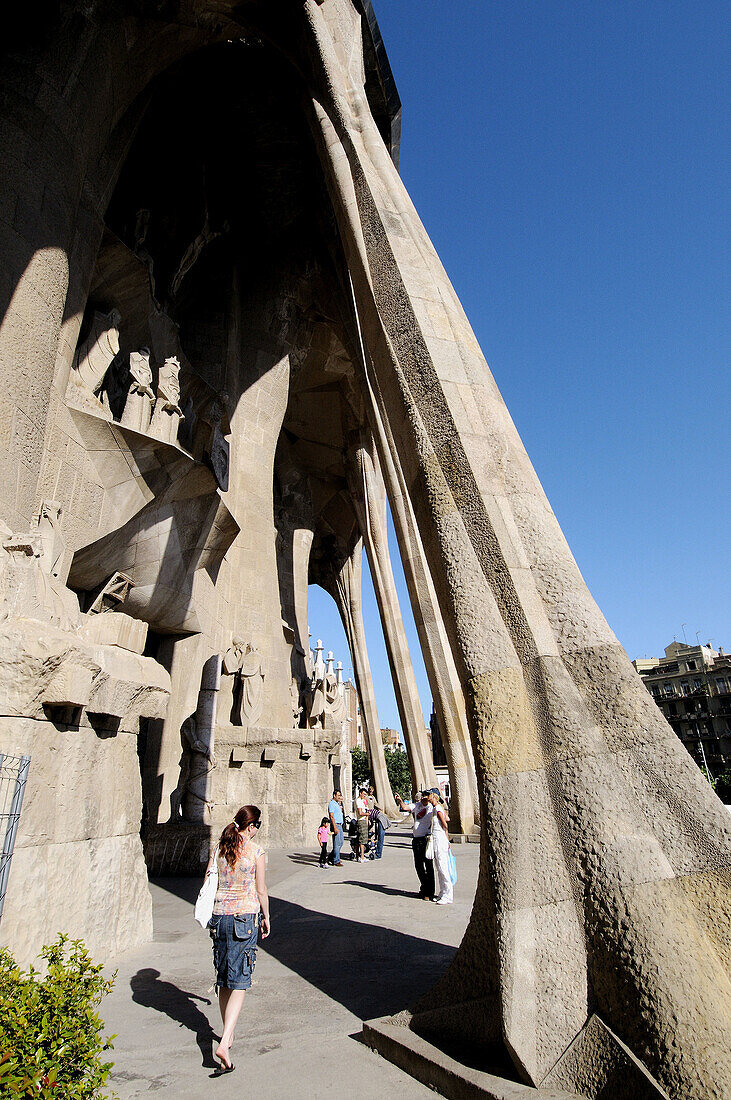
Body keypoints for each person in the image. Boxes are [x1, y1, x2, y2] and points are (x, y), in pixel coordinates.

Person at [205, 804, 271, 1075]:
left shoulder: (220, 848)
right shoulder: (256, 851)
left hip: (219, 916)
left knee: (224, 979)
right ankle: (225, 1039)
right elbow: (262, 889)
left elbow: (209, 879)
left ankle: (227, 1038)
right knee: (241, 980)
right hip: (244, 917)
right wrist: (267, 916)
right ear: (252, 826)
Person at [394, 790, 435, 900]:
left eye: (425, 797)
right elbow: (405, 807)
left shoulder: (432, 807)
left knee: (428, 865)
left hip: (426, 839)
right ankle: (423, 888)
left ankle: (429, 892)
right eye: (422, 797)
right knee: (418, 865)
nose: (423, 799)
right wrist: (400, 800)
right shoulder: (417, 805)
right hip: (416, 839)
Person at [427, 789, 454, 904]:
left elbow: (445, 823)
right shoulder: (435, 808)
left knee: (443, 867)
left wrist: (446, 838)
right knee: (439, 867)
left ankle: (448, 895)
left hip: (439, 838)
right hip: (436, 838)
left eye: (429, 795)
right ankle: (442, 892)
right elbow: (446, 818)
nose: (427, 797)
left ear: (434, 796)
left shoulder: (437, 808)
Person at [367, 782, 386, 858]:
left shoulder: (373, 797)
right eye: (370, 790)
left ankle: (374, 843)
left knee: (376, 831)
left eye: (372, 791)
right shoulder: (366, 797)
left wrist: (381, 808)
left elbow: (376, 804)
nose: (371, 792)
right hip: (369, 813)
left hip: (373, 814)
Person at [328, 789, 345, 865]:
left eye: (340, 795)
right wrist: (334, 827)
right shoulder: (332, 804)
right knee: (337, 843)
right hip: (336, 825)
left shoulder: (337, 804)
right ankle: (336, 860)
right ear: (334, 795)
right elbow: (331, 816)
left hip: (340, 825)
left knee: (341, 842)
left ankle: (332, 856)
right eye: (338, 795)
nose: (339, 797)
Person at [355, 786, 369, 861]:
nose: (364, 796)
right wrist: (367, 814)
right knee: (362, 839)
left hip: (363, 820)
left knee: (359, 839)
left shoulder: (362, 801)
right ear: (360, 793)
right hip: (361, 820)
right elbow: (360, 812)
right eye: (363, 794)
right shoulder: (358, 801)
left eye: (365, 794)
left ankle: (357, 856)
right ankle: (362, 856)